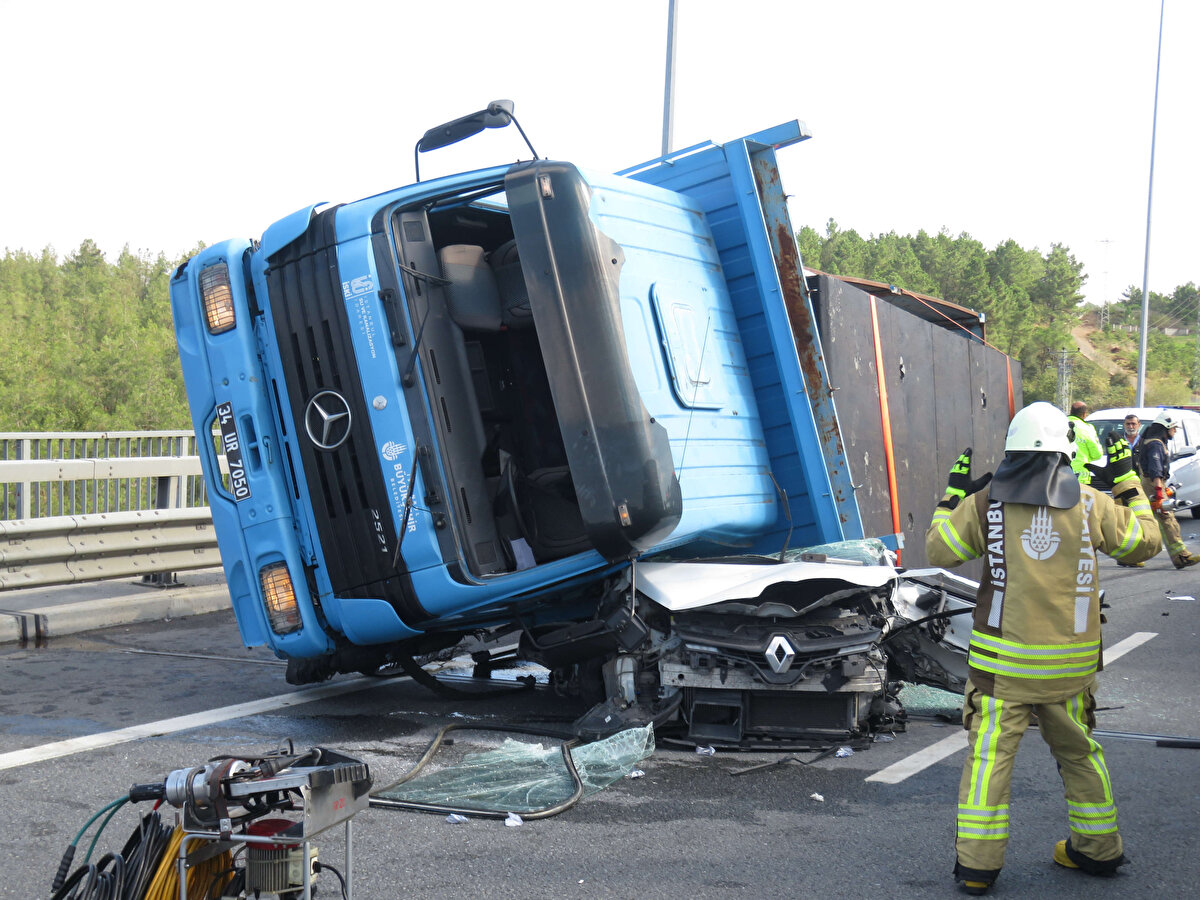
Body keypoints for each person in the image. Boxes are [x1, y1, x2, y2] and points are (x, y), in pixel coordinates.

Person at [926, 401, 1160, 896]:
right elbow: (1145, 543)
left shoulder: (986, 503)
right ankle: (1098, 850)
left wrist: (952, 497)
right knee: (1080, 754)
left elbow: (939, 550)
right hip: (1069, 672)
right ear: (1065, 454)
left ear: (1010, 451)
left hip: (1000, 673)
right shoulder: (1092, 504)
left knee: (989, 760)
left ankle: (978, 867)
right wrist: (1127, 483)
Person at [1137, 410, 1200, 569]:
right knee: (1168, 521)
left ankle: (1130, 557)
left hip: (1150, 484)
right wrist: (1159, 493)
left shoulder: (1148, 441)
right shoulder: (1156, 445)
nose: (1175, 431)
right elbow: (1155, 468)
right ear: (1165, 428)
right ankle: (1181, 557)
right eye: (1173, 428)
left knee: (1145, 523)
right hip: (1154, 485)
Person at [1067, 401, 1102, 484]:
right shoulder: (1087, 428)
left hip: (1060, 475)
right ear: (1084, 414)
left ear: (1071, 411)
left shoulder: (1059, 425)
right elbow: (1097, 454)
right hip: (1080, 478)